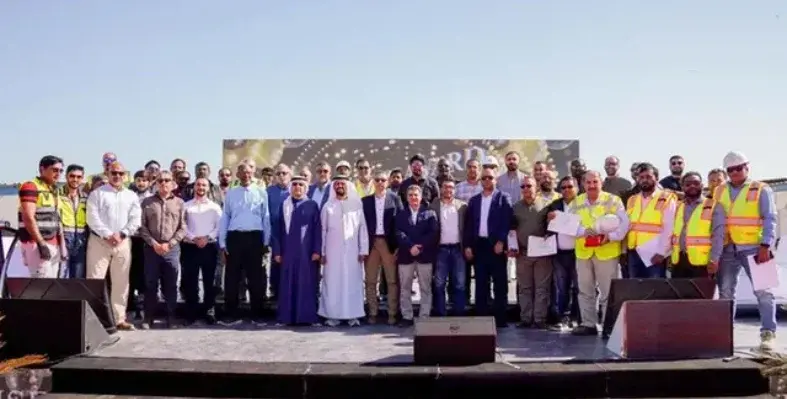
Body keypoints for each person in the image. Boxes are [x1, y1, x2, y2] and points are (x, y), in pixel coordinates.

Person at [715, 151, 778, 350]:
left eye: (738, 168)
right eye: (730, 170)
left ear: (747, 167)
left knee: (764, 291)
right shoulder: (719, 190)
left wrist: (766, 245)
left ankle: (768, 333)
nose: (734, 172)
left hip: (756, 248)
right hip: (728, 248)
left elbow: (770, 218)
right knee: (726, 292)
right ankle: (725, 334)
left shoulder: (761, 189)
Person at [563, 171, 629, 337]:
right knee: (585, 291)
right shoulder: (576, 202)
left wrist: (611, 237)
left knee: (609, 292)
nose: (592, 185)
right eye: (588, 182)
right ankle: (588, 324)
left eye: (595, 182)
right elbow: (568, 225)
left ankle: (609, 326)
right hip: (583, 252)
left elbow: (624, 224)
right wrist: (584, 232)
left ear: (601, 183)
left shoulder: (613, 200)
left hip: (607, 252)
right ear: (583, 184)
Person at [86, 161, 142, 331]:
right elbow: (92, 218)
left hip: (123, 242)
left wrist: (122, 234)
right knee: (95, 281)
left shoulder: (131, 196)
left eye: (120, 173)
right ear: (108, 174)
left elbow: (135, 219)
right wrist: (108, 234)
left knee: (121, 282)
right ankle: (94, 320)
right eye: (114, 173)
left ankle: (119, 319)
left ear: (125, 175)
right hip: (99, 242)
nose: (117, 176)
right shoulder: (97, 194)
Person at [219, 163, 271, 326]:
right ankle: (231, 314)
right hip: (235, 237)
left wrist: (266, 241)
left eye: (249, 172)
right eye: (242, 172)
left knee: (256, 278)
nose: (246, 175)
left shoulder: (261, 192)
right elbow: (225, 216)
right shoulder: (231, 193)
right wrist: (222, 242)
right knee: (232, 277)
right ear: (238, 174)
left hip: (255, 237)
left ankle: (257, 314)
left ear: (253, 172)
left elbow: (266, 217)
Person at [463, 165, 513, 328]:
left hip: (496, 246)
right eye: (483, 178)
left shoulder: (503, 198)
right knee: (481, 284)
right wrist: (468, 245)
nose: (486, 180)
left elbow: (507, 221)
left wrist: (501, 241)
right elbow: (469, 225)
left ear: (495, 179)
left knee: (500, 284)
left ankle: (500, 320)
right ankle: (481, 319)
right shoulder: (474, 200)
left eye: (490, 177)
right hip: (480, 246)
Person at [271, 176, 322, 326]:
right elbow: (277, 230)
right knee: (287, 284)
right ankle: (286, 317)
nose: (297, 187)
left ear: (305, 188)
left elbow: (317, 229)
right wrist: (277, 252)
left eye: (301, 184)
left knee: (306, 284)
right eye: (295, 185)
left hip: (306, 252)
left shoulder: (312, 205)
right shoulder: (284, 205)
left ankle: (306, 317)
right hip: (288, 252)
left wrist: (317, 250)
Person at [319, 175, 369, 327]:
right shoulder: (328, 207)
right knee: (332, 283)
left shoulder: (356, 205)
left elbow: (362, 228)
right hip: (332, 253)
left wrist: (363, 250)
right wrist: (322, 252)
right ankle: (332, 315)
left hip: (353, 252)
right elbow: (322, 230)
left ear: (348, 186)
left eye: (343, 183)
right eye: (337, 184)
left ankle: (353, 315)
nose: (339, 186)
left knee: (352, 282)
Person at [138, 171, 186, 329]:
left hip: (171, 249)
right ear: (156, 184)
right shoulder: (147, 202)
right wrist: (154, 243)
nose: (164, 183)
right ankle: (148, 318)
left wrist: (170, 244)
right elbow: (142, 226)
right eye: (160, 181)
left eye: (167, 180)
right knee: (150, 284)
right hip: (152, 248)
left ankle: (171, 317)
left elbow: (182, 228)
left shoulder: (179, 203)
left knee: (171, 284)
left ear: (173, 183)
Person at [361, 170, 402, 325]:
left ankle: (392, 313)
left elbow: (400, 223)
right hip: (371, 244)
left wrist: (398, 246)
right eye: (377, 180)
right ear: (373, 182)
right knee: (370, 281)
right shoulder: (365, 201)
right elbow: (361, 226)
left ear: (388, 182)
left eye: (383, 180)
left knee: (392, 281)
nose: (380, 183)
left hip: (388, 243)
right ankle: (373, 312)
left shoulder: (395, 199)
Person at [511, 176, 552, 329]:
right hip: (523, 253)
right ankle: (526, 318)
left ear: (537, 188)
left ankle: (540, 319)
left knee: (542, 288)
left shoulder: (547, 205)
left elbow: (553, 226)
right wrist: (512, 247)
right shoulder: (515, 207)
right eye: (523, 186)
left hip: (542, 253)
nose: (526, 189)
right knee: (524, 288)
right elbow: (511, 229)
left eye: (529, 186)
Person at [182, 177, 223, 325]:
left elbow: (219, 226)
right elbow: (182, 225)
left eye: (204, 185)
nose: (201, 187)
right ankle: (191, 312)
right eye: (198, 185)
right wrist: (193, 238)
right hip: (190, 247)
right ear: (194, 187)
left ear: (209, 188)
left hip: (209, 247)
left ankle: (209, 310)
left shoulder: (215, 207)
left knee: (209, 281)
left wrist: (207, 237)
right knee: (190, 281)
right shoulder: (186, 206)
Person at [396, 185, 438, 326]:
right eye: (411, 195)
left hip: (424, 255)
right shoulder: (400, 214)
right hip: (406, 256)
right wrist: (410, 246)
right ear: (407, 198)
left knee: (425, 288)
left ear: (421, 197)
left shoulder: (430, 213)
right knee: (405, 288)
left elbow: (433, 233)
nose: (413, 197)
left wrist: (420, 247)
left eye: (416, 195)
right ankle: (407, 316)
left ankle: (424, 316)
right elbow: (398, 233)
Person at [626, 163, 677, 278]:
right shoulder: (632, 200)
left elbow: (669, 227)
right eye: (641, 177)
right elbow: (627, 225)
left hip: (655, 254)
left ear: (656, 178)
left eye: (648, 177)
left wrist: (662, 252)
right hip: (634, 253)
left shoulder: (666, 198)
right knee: (635, 287)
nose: (644, 180)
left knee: (654, 287)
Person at [670, 172, 725, 278]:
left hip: (702, 263)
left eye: (696, 183)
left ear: (702, 185)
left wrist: (714, 259)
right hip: (679, 261)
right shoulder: (678, 206)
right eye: (688, 184)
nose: (692, 186)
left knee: (701, 289)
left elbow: (718, 235)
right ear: (682, 187)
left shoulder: (714, 206)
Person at [18, 155, 65, 278]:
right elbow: (28, 217)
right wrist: (41, 243)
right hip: (37, 244)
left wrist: (61, 245)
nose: (58, 174)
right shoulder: (31, 186)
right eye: (54, 170)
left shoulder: (53, 189)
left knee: (52, 285)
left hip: (53, 243)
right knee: (41, 285)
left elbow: (57, 219)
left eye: (61, 171)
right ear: (42, 169)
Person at [429, 179, 467, 317]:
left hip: (458, 249)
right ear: (441, 189)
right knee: (439, 283)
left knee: (460, 283)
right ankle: (440, 313)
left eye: (451, 187)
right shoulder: (433, 206)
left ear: (455, 190)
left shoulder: (463, 206)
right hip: (441, 249)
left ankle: (459, 313)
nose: (448, 190)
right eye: (445, 187)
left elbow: (467, 228)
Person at [58, 164, 88, 278]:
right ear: (66, 176)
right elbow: (56, 220)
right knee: (60, 279)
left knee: (77, 279)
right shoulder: (57, 194)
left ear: (82, 178)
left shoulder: (85, 197)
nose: (75, 179)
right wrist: (62, 243)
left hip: (80, 243)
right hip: (63, 240)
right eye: (72, 176)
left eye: (79, 177)